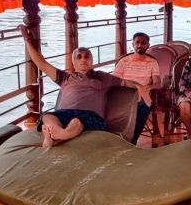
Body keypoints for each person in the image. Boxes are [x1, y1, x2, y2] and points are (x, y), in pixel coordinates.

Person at [18, 25, 150, 148]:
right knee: (47, 116)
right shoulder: (65, 78)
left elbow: (126, 82)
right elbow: (41, 63)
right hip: (65, 114)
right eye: (79, 57)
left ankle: (58, 135)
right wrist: (27, 40)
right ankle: (56, 132)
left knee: (77, 121)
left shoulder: (102, 77)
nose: (83, 60)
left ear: (91, 62)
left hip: (90, 117)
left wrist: (140, 87)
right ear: (74, 62)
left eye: (86, 57)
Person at [113, 32, 161, 144]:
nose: (140, 45)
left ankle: (132, 141)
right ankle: (116, 138)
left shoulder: (152, 62)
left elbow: (158, 83)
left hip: (143, 94)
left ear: (148, 45)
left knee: (142, 106)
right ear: (133, 44)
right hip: (125, 93)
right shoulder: (123, 61)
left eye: (143, 43)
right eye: (137, 42)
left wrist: (148, 88)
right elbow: (115, 81)